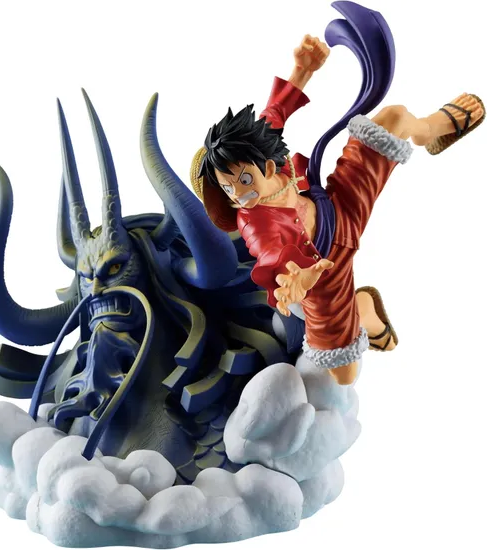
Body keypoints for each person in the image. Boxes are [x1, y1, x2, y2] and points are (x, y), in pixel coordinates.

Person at [191, 35, 484, 385]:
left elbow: (276, 110)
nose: (240, 195)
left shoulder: (260, 149)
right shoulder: (254, 223)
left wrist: (302, 69)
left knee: (393, 118)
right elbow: (271, 254)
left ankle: (430, 130)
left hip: (338, 207)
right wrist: (295, 281)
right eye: (228, 190)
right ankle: (364, 311)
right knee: (343, 375)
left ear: (266, 166)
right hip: (326, 273)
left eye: (243, 180)